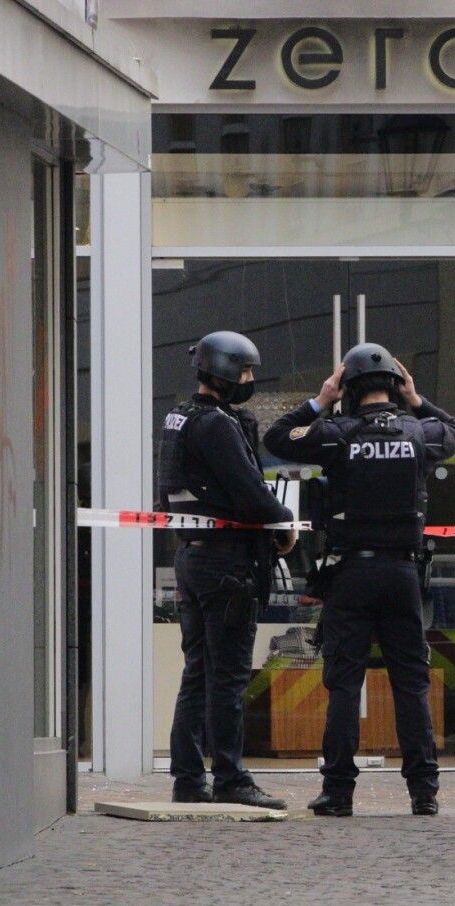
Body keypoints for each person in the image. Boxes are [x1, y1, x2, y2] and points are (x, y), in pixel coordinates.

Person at [265, 344, 455, 817]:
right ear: (395, 385)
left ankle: (338, 793)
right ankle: (423, 792)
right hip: (402, 575)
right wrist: (416, 399)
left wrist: (320, 400)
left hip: (351, 575)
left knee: (345, 683)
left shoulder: (336, 434)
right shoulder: (418, 434)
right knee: (411, 684)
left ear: (348, 390)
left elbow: (276, 438)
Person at [156, 330, 296, 808]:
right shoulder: (216, 425)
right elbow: (250, 493)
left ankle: (188, 779)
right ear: (223, 370)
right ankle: (231, 779)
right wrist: (285, 520)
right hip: (225, 565)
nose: (250, 379)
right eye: (246, 370)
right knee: (230, 676)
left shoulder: (179, 418)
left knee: (198, 671)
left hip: (192, 558)